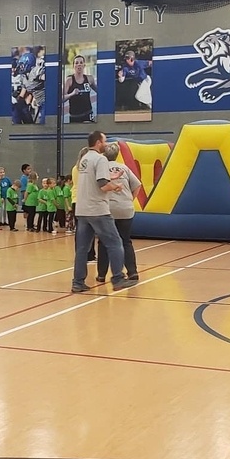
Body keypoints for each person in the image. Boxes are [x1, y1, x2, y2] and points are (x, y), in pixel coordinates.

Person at [73, 131, 133, 293]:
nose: (106, 144)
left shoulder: (84, 158)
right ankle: (118, 279)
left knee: (82, 248)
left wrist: (111, 176)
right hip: (98, 209)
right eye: (105, 141)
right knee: (115, 243)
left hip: (83, 209)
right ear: (99, 142)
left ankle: (77, 282)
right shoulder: (100, 159)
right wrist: (116, 186)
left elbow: (94, 179)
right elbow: (102, 185)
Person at [96, 143, 142, 282]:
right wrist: (130, 199)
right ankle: (132, 272)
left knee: (104, 242)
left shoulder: (101, 168)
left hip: (108, 209)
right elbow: (137, 185)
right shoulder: (124, 167)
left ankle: (102, 274)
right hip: (125, 208)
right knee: (125, 241)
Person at [115, 48, 152, 113]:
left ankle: (151, 104)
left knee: (138, 96)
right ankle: (152, 107)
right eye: (126, 58)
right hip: (139, 83)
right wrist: (120, 76)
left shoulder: (138, 63)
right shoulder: (125, 67)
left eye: (128, 58)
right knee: (144, 97)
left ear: (132, 58)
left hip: (145, 80)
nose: (126, 60)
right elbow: (121, 80)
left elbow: (150, 63)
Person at [63, 54, 96, 123]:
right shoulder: (69, 80)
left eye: (81, 63)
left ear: (84, 65)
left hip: (88, 114)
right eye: (76, 63)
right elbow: (62, 98)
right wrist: (72, 94)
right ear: (73, 66)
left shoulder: (89, 79)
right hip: (75, 116)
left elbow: (100, 91)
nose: (79, 65)